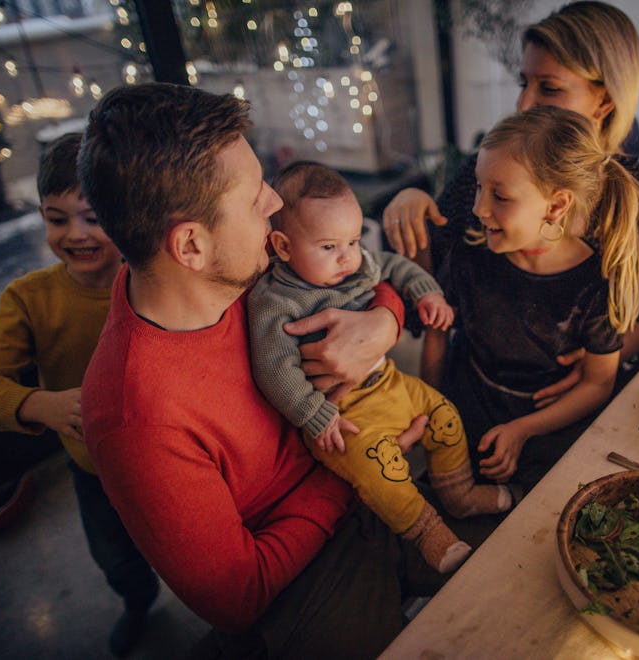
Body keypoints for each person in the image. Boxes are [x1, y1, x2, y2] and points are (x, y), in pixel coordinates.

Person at [77, 82, 457, 659]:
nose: (276, 207)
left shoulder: (249, 268)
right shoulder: (136, 417)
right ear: (190, 246)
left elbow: (361, 275)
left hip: (378, 475)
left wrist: (384, 318)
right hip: (306, 571)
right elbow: (237, 595)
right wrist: (356, 471)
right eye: (257, 198)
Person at [383, 0, 639, 402]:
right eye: (524, 83)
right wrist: (413, 200)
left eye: (549, 88)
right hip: (481, 387)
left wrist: (593, 372)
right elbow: (430, 298)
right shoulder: (486, 175)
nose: (523, 104)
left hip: (571, 402)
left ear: (605, 101)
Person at [248, 161, 515, 574]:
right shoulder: (276, 301)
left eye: (354, 240)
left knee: (443, 415)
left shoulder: (355, 265)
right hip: (341, 416)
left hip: (390, 381)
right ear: (283, 247)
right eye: (329, 247)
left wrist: (426, 293)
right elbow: (272, 367)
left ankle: (460, 492)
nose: (348, 257)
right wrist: (312, 413)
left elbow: (393, 266)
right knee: (380, 470)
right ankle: (428, 531)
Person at [0, 133, 159, 657]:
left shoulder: (158, 277)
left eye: (93, 218)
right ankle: (138, 604)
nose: (76, 235)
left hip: (174, 458)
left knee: (203, 549)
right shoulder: (28, 299)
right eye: (57, 218)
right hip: (93, 468)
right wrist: (40, 404)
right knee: (116, 557)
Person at [427, 104, 639, 494]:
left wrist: (522, 431)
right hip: (470, 397)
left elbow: (597, 384)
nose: (479, 208)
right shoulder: (470, 254)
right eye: (479, 187)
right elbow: (437, 332)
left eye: (501, 196)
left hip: (548, 417)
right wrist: (428, 406)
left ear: (556, 205)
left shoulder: (595, 283)